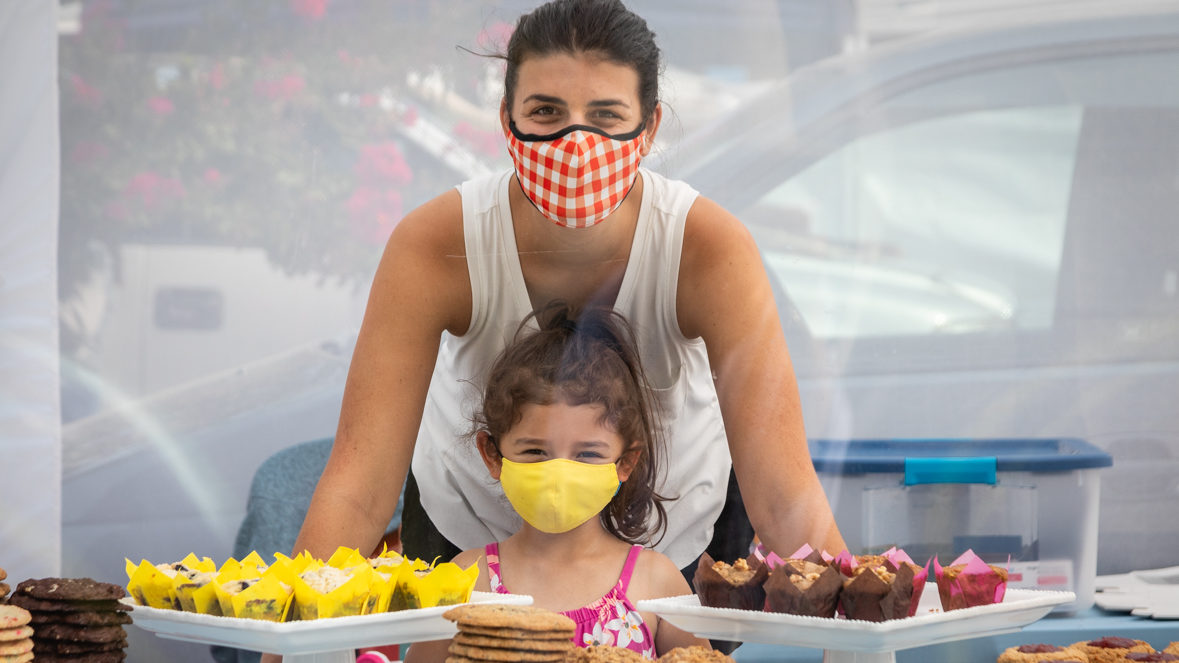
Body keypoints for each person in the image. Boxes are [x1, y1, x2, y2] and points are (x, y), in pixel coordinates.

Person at [292, 0, 844, 595]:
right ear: (507, 120)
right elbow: (359, 488)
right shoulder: (436, 245)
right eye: (547, 112)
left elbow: (785, 496)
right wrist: (288, 645)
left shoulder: (707, 248)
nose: (575, 143)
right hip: (471, 547)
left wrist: (868, 645)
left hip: (665, 550)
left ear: (650, 127)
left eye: (606, 115)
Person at [405, 302, 709, 661]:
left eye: (587, 454)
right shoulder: (465, 580)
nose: (559, 473)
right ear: (493, 454)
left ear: (626, 462)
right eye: (535, 451)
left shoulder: (657, 581)